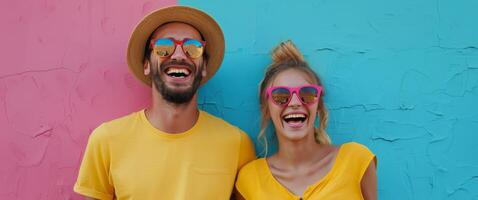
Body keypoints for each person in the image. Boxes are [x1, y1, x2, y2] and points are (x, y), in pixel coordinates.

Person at [74, 6, 256, 200]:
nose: (178, 55)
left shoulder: (237, 144)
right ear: (146, 65)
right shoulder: (106, 140)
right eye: (163, 47)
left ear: (203, 68)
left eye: (193, 47)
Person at [235, 41, 377, 200]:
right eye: (280, 96)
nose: (295, 103)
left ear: (319, 105)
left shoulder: (356, 160)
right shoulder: (250, 180)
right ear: (267, 109)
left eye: (307, 94)